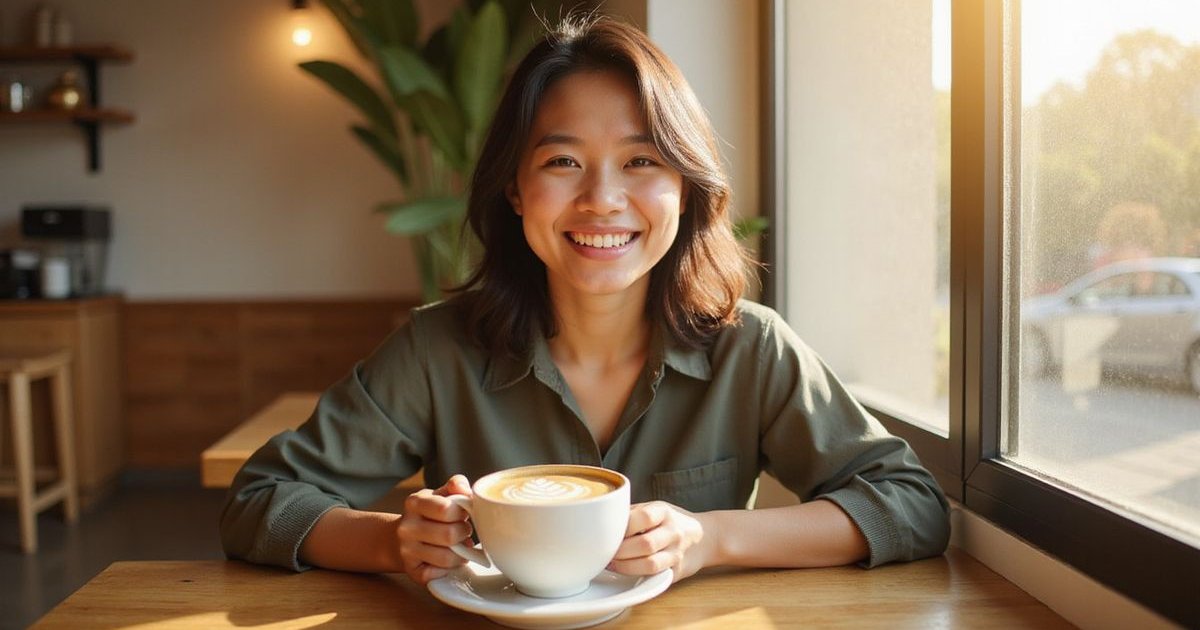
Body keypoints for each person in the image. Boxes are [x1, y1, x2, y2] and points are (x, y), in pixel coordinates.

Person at [220, 15, 950, 586]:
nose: (602, 200)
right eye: (563, 162)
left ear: (687, 189)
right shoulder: (436, 351)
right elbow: (257, 500)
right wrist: (392, 540)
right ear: (514, 189)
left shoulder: (749, 348)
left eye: (642, 161)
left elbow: (910, 505)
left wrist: (708, 538)